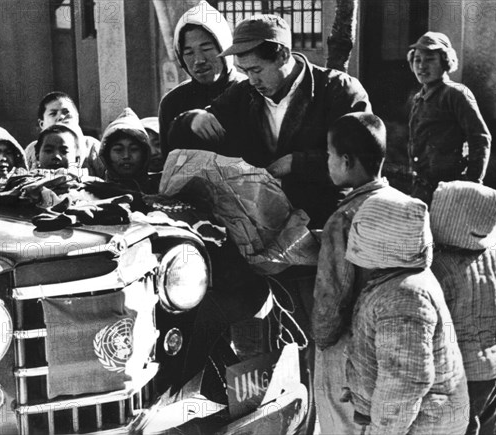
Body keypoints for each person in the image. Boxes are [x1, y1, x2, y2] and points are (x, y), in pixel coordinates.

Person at [173, 14, 371, 229]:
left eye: (257, 70)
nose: (252, 80)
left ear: (283, 55)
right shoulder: (244, 93)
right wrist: (193, 118)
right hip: (263, 225)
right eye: (245, 71)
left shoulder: (340, 90)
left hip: (327, 222)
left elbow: (360, 161)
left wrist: (296, 163)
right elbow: (184, 133)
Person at [344, 188, 468, 434]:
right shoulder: (402, 279)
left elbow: (405, 381)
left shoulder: (403, 296)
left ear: (381, 240)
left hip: (422, 424)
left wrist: (382, 431)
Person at [310, 112, 388, 433]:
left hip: (348, 348)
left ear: (345, 161)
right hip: (386, 339)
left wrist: (321, 339)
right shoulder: (398, 203)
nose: (327, 162)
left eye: (329, 155)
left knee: (340, 423)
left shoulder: (343, 220)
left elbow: (333, 298)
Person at [429, 181, 496, 435]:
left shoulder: (437, 265)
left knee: (464, 427)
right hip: (493, 366)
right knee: (490, 425)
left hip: (460, 371)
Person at [407, 31, 491, 205]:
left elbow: (480, 139)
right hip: (421, 187)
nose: (422, 66)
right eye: (417, 60)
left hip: (450, 187)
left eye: (430, 59)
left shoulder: (455, 94)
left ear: (445, 62)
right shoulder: (418, 98)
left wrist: (472, 183)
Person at [159, 0, 245, 159]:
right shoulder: (172, 103)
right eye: (189, 52)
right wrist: (186, 123)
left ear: (224, 47)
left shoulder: (251, 91)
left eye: (206, 49)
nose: (199, 60)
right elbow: (169, 166)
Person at [25, 91, 105, 177]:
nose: (61, 117)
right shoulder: (32, 149)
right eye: (53, 113)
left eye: (66, 112)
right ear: (42, 124)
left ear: (77, 118)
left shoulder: (92, 146)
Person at [99, 108, 158, 194]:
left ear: (145, 153)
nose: (126, 156)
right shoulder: (96, 193)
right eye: (118, 150)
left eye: (134, 149)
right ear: (107, 154)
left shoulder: (160, 189)